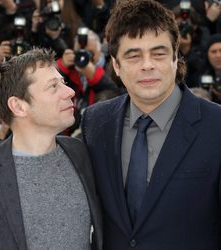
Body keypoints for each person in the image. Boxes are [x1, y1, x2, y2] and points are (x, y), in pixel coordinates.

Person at [81, 0, 221, 249]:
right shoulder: (95, 123)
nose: (147, 65)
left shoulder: (216, 126)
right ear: (116, 64)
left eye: (158, 53)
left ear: (176, 57)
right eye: (133, 56)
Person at [0, 48, 102, 250]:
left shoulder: (81, 153)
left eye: (63, 83)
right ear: (19, 106)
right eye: (53, 86)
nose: (70, 92)